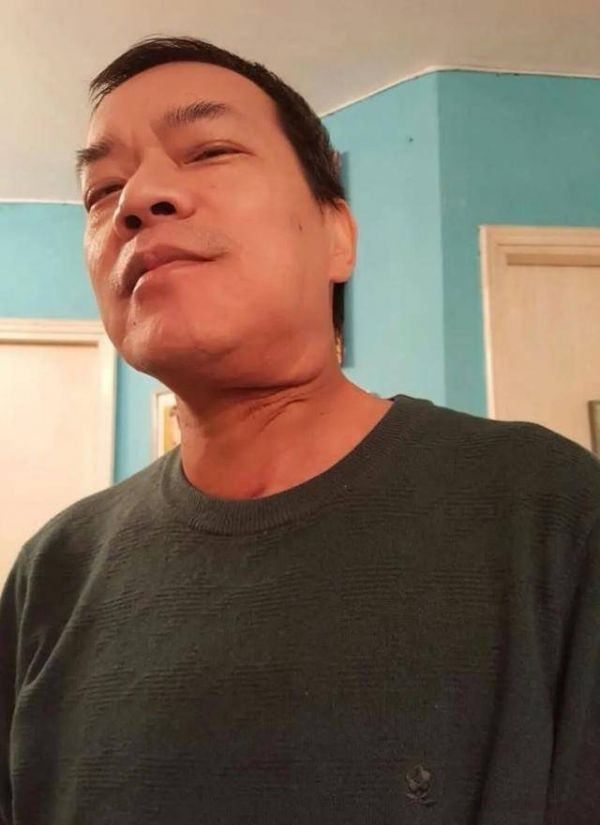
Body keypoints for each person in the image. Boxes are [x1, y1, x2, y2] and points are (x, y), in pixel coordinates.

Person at [1, 35, 598, 825]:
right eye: (101, 190)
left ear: (336, 233)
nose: (136, 199)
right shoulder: (51, 574)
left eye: (210, 150)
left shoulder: (549, 509)